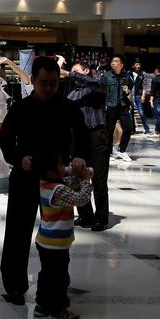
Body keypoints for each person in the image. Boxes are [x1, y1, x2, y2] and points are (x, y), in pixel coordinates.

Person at [0, 56, 90, 304]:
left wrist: (80, 157)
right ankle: (15, 286)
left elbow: (81, 133)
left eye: (53, 83)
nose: (49, 88)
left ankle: (57, 284)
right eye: (43, 83)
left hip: (57, 177)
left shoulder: (67, 107)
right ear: (34, 81)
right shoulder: (21, 108)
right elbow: (5, 138)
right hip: (25, 176)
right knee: (18, 230)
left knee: (59, 234)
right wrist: (18, 158)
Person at [33, 153, 93, 319]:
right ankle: (58, 310)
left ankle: (42, 306)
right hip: (56, 245)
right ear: (52, 173)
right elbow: (81, 199)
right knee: (59, 279)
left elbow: (69, 187)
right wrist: (86, 181)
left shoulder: (46, 184)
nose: (64, 167)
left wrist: (77, 175)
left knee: (46, 275)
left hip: (45, 241)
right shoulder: (57, 190)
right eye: (61, 165)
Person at [67, 61, 110, 231]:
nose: (74, 75)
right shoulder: (72, 95)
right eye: (73, 73)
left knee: (99, 179)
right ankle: (85, 215)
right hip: (79, 139)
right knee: (77, 177)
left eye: (77, 72)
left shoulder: (97, 86)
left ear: (86, 71)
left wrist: (69, 73)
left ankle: (101, 218)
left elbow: (99, 86)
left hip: (97, 137)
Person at [69, 55, 134, 162]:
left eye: (116, 61)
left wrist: (128, 92)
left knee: (128, 127)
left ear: (121, 64)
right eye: (112, 61)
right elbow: (99, 86)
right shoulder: (106, 76)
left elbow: (129, 88)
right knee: (109, 130)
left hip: (122, 105)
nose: (113, 63)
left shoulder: (127, 76)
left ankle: (122, 150)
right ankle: (110, 151)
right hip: (110, 105)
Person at [130, 60, 150, 136]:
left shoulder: (142, 74)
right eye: (136, 64)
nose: (138, 66)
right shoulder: (129, 73)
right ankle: (132, 129)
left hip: (138, 95)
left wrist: (143, 95)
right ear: (133, 66)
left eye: (139, 64)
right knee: (130, 113)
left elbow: (144, 85)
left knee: (141, 112)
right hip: (130, 95)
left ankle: (147, 130)